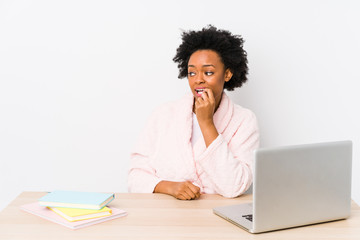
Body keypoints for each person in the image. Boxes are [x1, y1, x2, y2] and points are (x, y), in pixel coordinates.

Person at [128, 25, 259, 200]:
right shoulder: (163, 114)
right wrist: (169, 187)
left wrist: (207, 123)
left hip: (219, 217)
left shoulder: (244, 120)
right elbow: (135, 176)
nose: (198, 79)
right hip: (166, 216)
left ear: (227, 74)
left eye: (209, 72)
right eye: (191, 72)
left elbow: (235, 186)